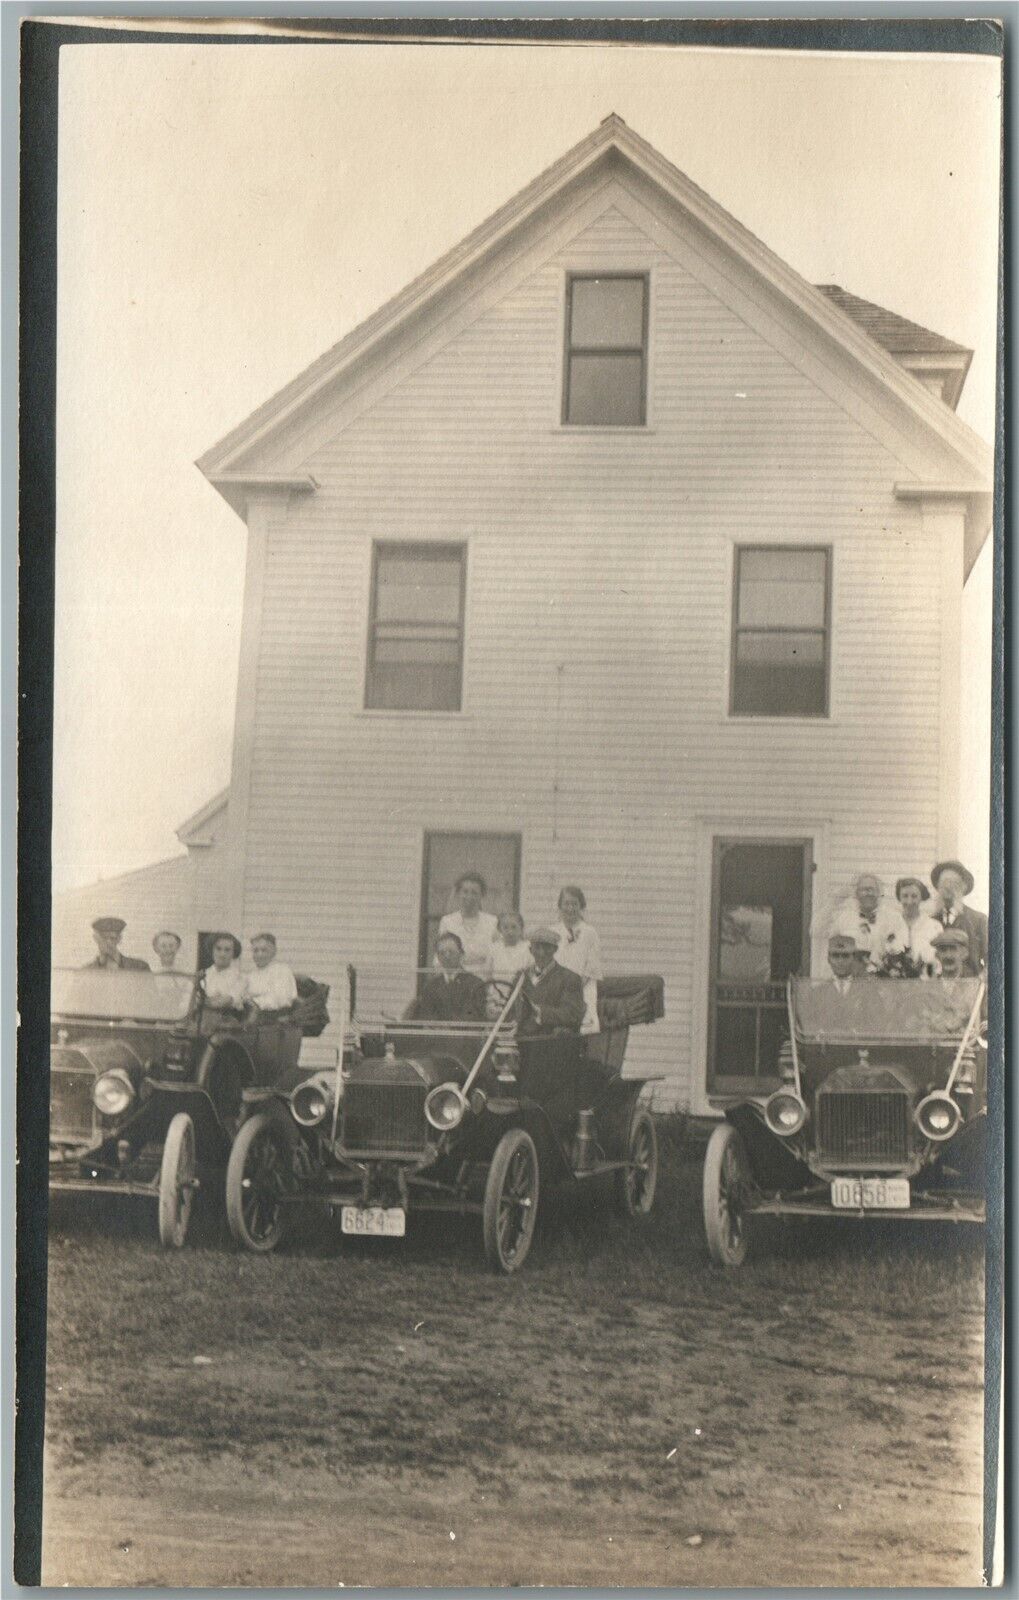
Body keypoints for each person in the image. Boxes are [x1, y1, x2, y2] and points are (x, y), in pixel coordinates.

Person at [552, 885, 602, 1035]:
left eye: (574, 904)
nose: (570, 908)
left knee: (585, 1024)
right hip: (556, 989)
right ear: (560, 906)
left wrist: (574, 989)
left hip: (583, 987)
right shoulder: (553, 931)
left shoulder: (589, 932)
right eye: (566, 904)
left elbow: (592, 967)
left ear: (581, 907)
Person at [517, 928, 585, 1037]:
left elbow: (572, 1014)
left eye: (547, 948)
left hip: (552, 1041)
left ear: (555, 949)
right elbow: (511, 1010)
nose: (542, 953)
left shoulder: (569, 978)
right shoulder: (520, 977)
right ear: (530, 950)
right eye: (537, 947)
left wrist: (540, 1012)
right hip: (521, 1038)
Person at [407, 931, 487, 1021]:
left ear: (461, 954)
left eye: (451, 952)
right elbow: (427, 1016)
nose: (447, 956)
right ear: (437, 956)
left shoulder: (475, 984)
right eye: (442, 953)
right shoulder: (430, 986)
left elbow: (472, 1017)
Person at [831, 874, 901, 970]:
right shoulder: (844, 918)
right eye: (863, 890)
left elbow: (899, 951)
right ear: (856, 894)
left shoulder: (893, 918)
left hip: (883, 978)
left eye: (872, 889)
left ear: (879, 893)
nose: (868, 893)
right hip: (852, 977)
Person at [930, 860, 988, 976]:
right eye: (944, 882)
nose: (947, 887)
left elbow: (991, 959)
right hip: (937, 988)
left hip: (970, 986)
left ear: (963, 887)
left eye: (953, 883)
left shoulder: (978, 920)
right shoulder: (930, 921)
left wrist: (983, 979)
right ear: (938, 887)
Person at [438, 872, 498, 980]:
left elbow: (497, 957)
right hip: (456, 982)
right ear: (458, 894)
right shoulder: (447, 921)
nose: (469, 896)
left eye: (474, 892)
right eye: (465, 892)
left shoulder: (492, 922)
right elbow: (440, 957)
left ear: (482, 895)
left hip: (484, 982)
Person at [883, 878, 940, 977]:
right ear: (899, 898)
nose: (909, 901)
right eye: (905, 896)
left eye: (914, 896)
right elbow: (878, 957)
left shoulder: (934, 926)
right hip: (894, 986)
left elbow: (939, 961)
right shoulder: (889, 926)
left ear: (921, 897)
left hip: (927, 985)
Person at [242, 933, 298, 1012]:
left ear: (274, 951)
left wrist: (254, 1002)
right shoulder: (251, 975)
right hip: (254, 1014)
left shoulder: (281, 970)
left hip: (276, 1016)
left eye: (264, 950)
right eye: (255, 950)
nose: (259, 954)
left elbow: (282, 1000)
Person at [82, 916, 150, 971]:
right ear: (95, 938)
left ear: (119, 938)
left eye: (113, 938)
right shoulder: (86, 971)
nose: (109, 942)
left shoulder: (139, 967)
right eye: (104, 937)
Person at [202, 932, 246, 1010]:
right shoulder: (203, 975)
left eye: (227, 950)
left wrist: (204, 1000)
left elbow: (224, 1002)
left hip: (228, 1020)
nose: (222, 954)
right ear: (212, 951)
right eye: (218, 949)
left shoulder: (240, 978)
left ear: (233, 953)